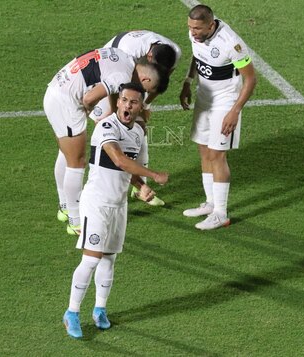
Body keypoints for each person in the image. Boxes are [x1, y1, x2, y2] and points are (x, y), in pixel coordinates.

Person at [62, 83, 169, 339]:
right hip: (97, 203)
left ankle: (99, 309)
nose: (127, 106)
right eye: (124, 100)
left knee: (109, 259)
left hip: (119, 205)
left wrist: (142, 187)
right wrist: (154, 175)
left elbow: (130, 170)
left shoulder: (139, 135)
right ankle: (72, 313)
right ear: (118, 102)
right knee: (91, 258)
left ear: (140, 106)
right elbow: (119, 160)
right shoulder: (106, 126)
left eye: (133, 102)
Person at [44, 47, 168, 235]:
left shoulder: (126, 59)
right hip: (67, 102)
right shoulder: (122, 77)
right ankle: (76, 222)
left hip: (58, 89)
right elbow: (88, 99)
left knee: (66, 152)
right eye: (146, 92)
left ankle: (65, 208)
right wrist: (88, 111)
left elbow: (111, 88)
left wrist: (109, 112)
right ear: (145, 81)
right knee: (76, 163)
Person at [179, 4, 257, 230]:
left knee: (216, 155)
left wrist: (235, 110)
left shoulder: (231, 43)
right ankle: (210, 203)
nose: (193, 32)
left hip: (225, 102)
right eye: (190, 27)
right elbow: (197, 56)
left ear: (211, 25)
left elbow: (250, 79)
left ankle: (221, 213)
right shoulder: (196, 34)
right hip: (204, 97)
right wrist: (187, 81)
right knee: (204, 148)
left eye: (198, 28)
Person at [90, 30, 181, 206]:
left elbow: (158, 83)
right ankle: (86, 196)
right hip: (105, 75)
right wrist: (114, 113)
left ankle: (140, 187)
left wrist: (144, 105)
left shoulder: (173, 54)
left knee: (139, 128)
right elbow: (115, 84)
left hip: (130, 81)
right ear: (148, 55)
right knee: (108, 133)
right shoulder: (129, 52)